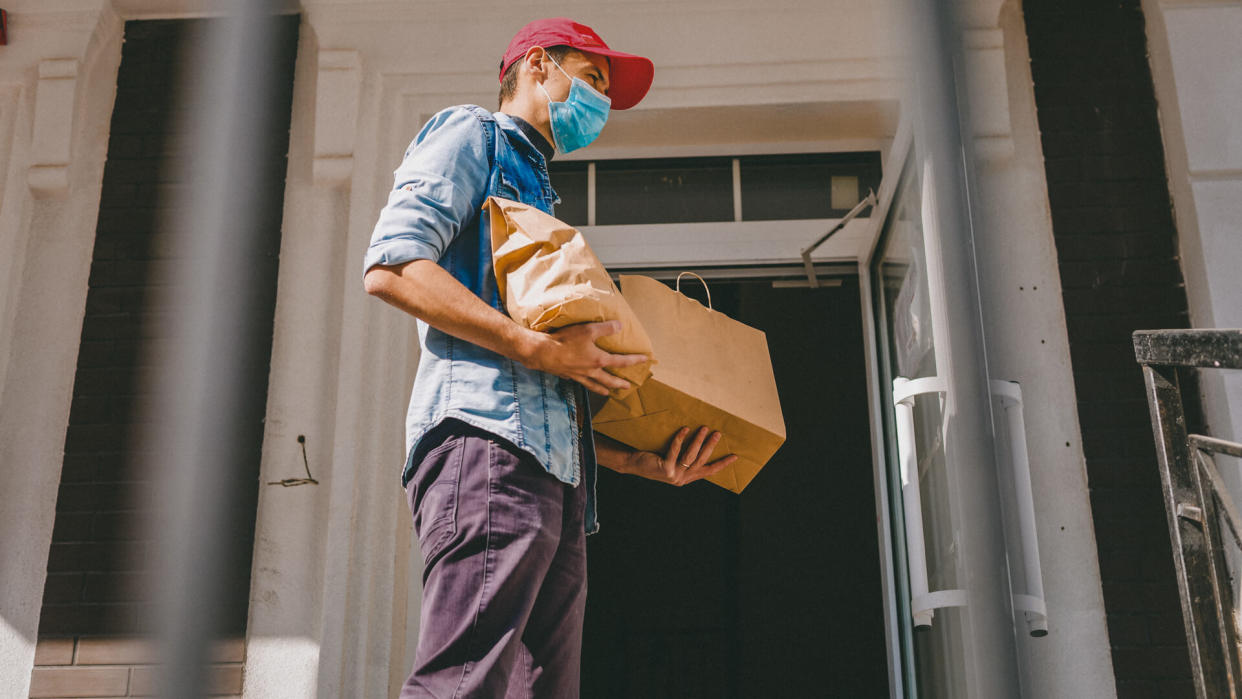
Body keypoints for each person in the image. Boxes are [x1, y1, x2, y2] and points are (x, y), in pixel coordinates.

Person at [362, 17, 737, 698]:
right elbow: (392, 264)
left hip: (555, 487)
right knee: (461, 683)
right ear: (537, 65)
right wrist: (534, 345)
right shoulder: (471, 134)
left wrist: (633, 460)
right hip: (488, 453)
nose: (597, 101)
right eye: (590, 78)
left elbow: (553, 380)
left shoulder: (542, 194)